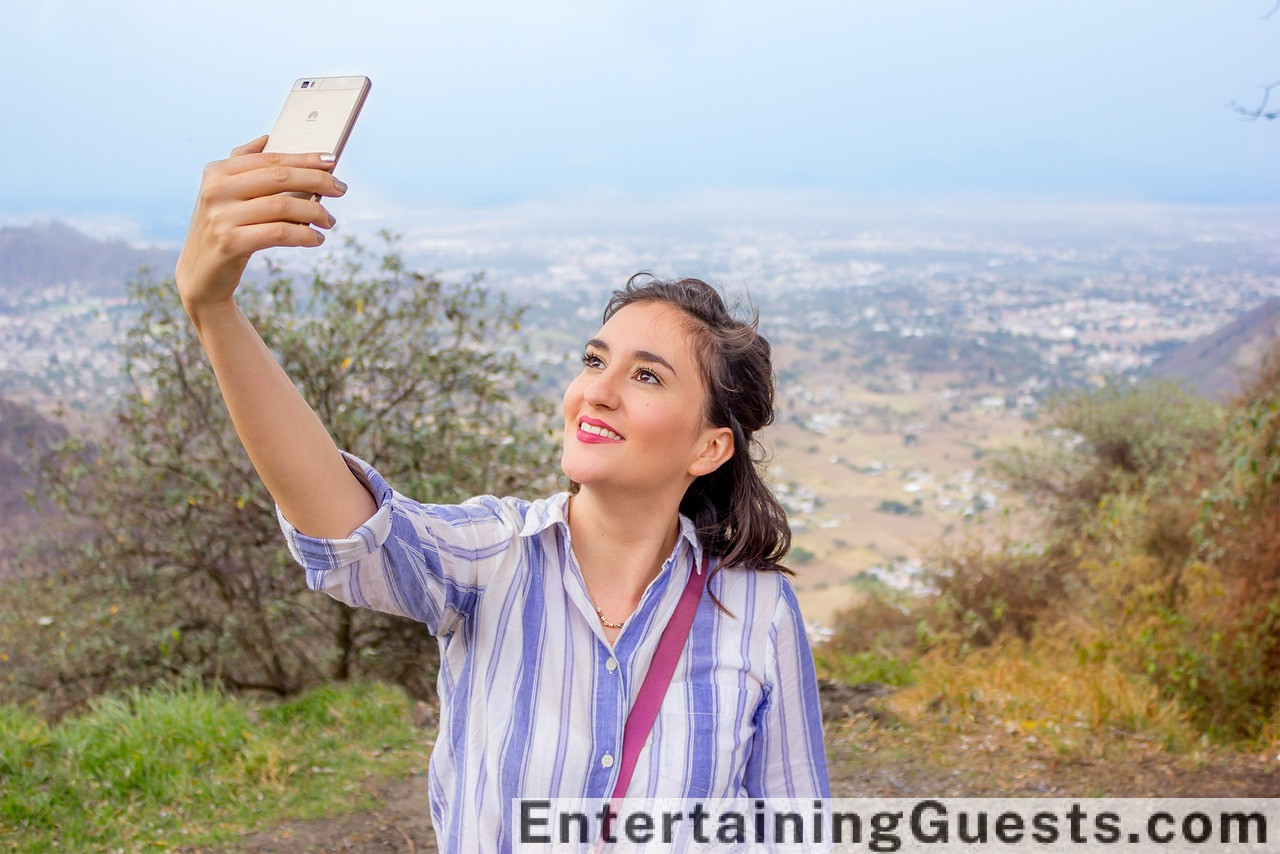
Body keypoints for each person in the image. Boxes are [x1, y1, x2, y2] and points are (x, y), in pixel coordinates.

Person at [176, 136, 829, 852]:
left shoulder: (759, 613)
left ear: (710, 446)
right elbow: (346, 530)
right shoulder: (493, 557)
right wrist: (214, 310)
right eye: (593, 360)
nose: (596, 391)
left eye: (646, 377)